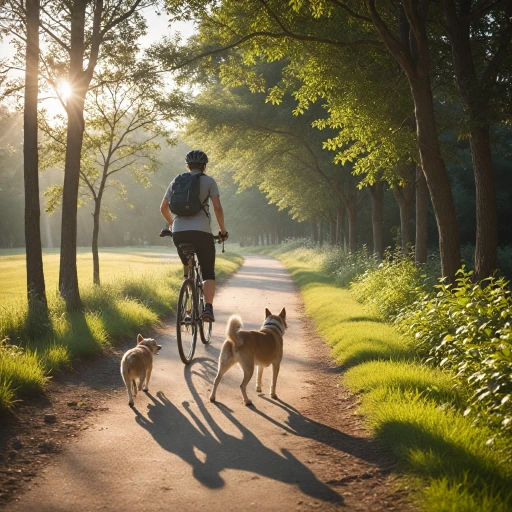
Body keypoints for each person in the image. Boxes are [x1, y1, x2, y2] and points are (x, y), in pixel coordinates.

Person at [160, 150, 228, 321]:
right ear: (204, 166)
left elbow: (163, 208)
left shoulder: (176, 181)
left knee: (187, 268)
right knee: (208, 273)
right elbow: (218, 208)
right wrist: (223, 231)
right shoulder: (209, 181)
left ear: (187, 166)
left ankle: (188, 307)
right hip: (202, 233)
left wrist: (173, 223)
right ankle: (208, 309)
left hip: (179, 233)